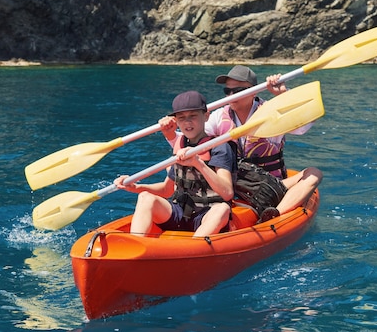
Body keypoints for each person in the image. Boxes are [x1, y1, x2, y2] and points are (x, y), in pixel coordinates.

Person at [161, 65, 322, 223]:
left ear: (254, 91)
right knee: (173, 164)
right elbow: (191, 138)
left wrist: (283, 95)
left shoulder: (273, 111)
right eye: (227, 91)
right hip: (236, 184)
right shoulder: (219, 116)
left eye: (237, 91)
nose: (231, 95)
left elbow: (303, 127)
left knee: (314, 174)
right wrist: (170, 133)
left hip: (272, 183)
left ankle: (275, 213)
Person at [114, 90, 237, 238]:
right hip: (180, 212)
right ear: (177, 121)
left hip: (207, 213)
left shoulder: (219, 146)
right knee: (145, 197)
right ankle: (135, 246)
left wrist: (198, 163)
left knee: (222, 209)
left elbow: (227, 193)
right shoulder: (180, 144)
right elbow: (167, 189)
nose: (187, 122)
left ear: (206, 116)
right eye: (182, 118)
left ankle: (193, 250)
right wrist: (136, 187)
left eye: (193, 116)